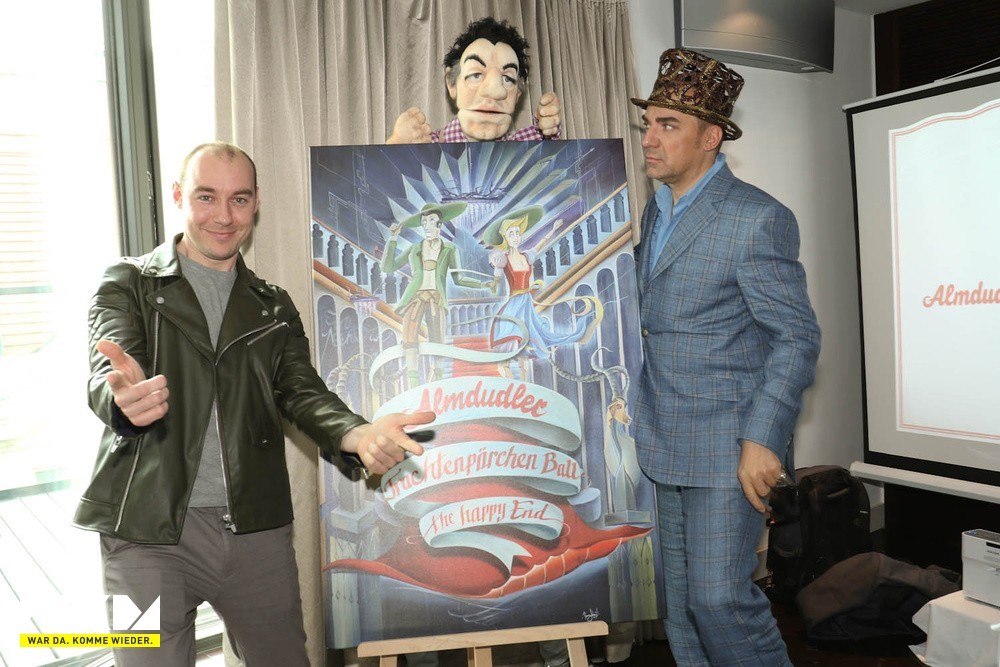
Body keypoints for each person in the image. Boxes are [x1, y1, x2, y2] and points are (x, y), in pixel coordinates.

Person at [73, 142, 435, 666]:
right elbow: (108, 368)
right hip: (143, 535)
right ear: (178, 196)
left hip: (256, 533)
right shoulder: (126, 283)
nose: (223, 216)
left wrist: (357, 434)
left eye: (239, 199)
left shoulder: (273, 306)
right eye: (206, 197)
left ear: (256, 203)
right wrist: (121, 398)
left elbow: (303, 392)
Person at [630, 49, 821, 666]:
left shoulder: (757, 218)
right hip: (661, 438)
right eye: (648, 124)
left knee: (719, 602)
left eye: (668, 126)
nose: (649, 139)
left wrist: (762, 438)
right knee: (681, 606)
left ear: (710, 137)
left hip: (727, 445)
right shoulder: (656, 208)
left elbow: (797, 337)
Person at [387, 16, 561, 144]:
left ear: (517, 95)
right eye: (476, 75)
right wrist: (396, 151)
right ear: (452, 83)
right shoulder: (424, 148)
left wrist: (548, 127)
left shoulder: (526, 150)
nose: (495, 92)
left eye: (507, 79)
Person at [381, 202, 492, 387]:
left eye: (432, 221)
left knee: (437, 343)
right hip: (415, 299)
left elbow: (458, 279)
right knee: (410, 342)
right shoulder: (414, 249)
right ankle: (413, 387)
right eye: (424, 222)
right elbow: (388, 267)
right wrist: (393, 239)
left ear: (440, 224)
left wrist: (482, 284)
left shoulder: (449, 249)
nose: (427, 226)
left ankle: (439, 385)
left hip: (436, 300)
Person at [483, 206, 601, 379]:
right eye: (511, 234)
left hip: (526, 304)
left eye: (517, 233)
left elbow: (540, 244)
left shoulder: (526, 256)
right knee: (511, 338)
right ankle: (508, 378)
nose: (515, 237)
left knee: (528, 344)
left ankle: (524, 384)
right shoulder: (503, 259)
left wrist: (553, 229)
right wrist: (493, 277)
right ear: (505, 238)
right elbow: (495, 285)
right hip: (514, 305)